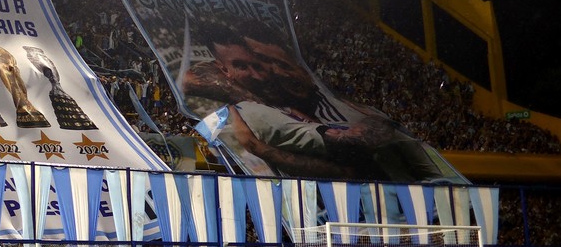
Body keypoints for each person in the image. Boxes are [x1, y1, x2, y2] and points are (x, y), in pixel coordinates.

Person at [191, 29, 458, 183]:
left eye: (279, 64)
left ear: (303, 66)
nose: (266, 74)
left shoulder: (349, 110)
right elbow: (191, 79)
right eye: (244, 65)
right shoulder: (255, 113)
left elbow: (363, 140)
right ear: (223, 71)